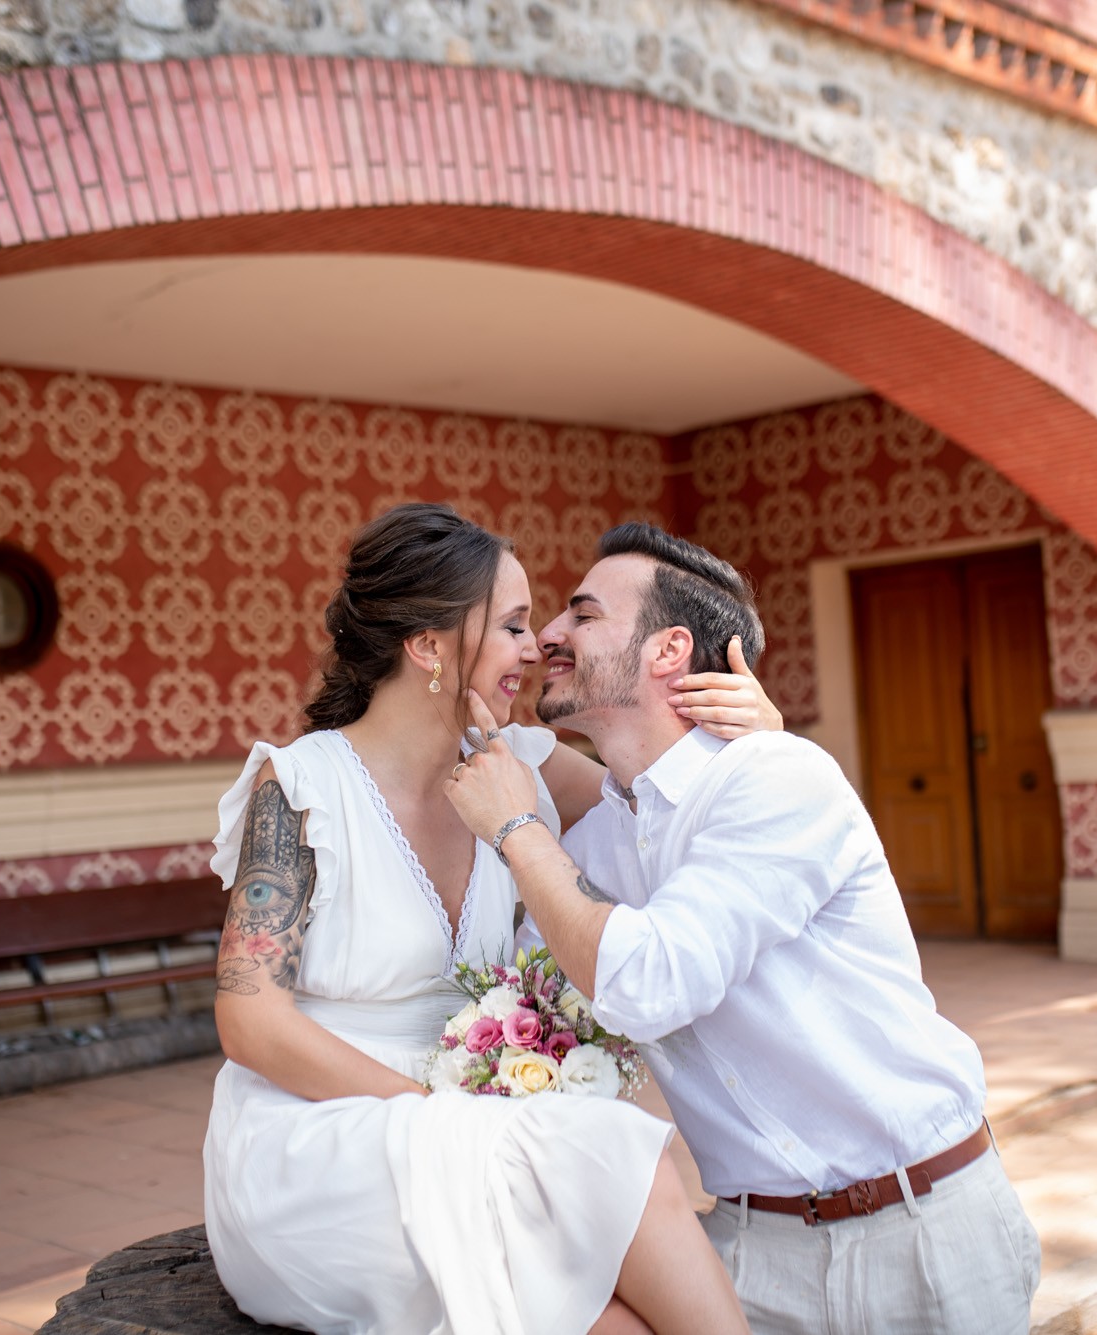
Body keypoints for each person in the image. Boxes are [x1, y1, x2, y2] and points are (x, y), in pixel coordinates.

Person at [444, 523, 1041, 1335]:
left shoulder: (775, 776)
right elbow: (525, 993)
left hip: (924, 1229)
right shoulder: (594, 849)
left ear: (669, 650)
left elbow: (648, 982)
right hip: (751, 1249)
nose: (549, 632)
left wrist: (516, 828)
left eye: (581, 615)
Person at [202, 502, 769, 1335]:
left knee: (613, 1320)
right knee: (621, 1155)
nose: (537, 645)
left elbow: (664, 801)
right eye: (509, 625)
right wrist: (446, 1115)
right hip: (320, 1137)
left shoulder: (524, 770)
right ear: (428, 646)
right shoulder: (299, 788)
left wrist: (757, 737)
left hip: (475, 1120)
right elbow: (249, 1021)